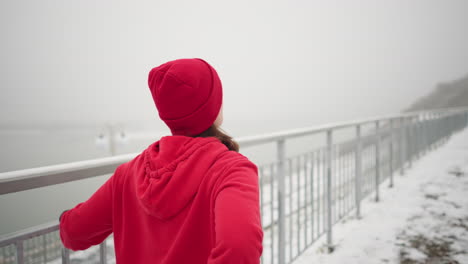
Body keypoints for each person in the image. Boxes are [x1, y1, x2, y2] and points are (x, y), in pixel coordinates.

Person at [59, 58, 264, 263]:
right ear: (212, 106)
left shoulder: (128, 174)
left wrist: (64, 219)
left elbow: (74, 233)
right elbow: (239, 250)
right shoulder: (231, 170)